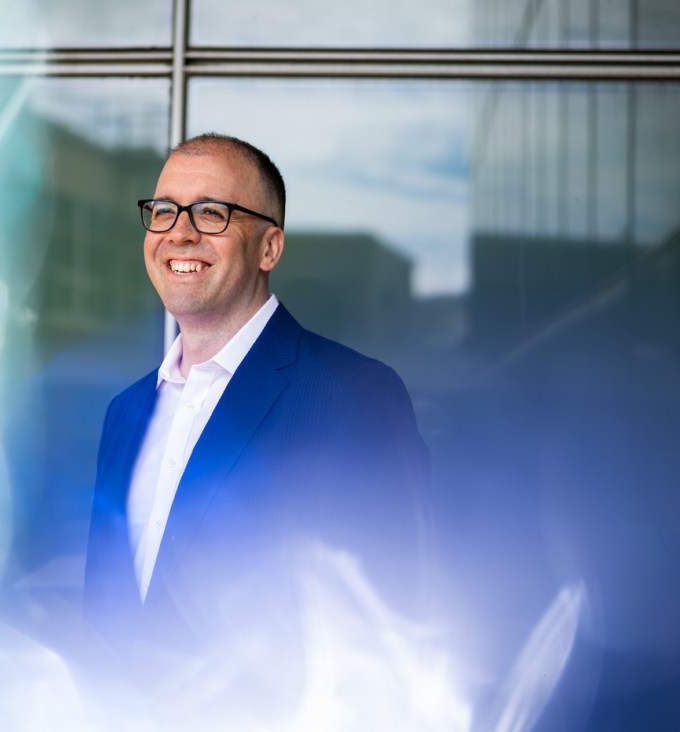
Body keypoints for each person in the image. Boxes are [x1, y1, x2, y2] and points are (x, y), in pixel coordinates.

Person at [82, 133, 431, 713]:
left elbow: (394, 619)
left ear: (270, 248)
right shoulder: (127, 412)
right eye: (163, 210)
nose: (179, 232)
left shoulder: (351, 396)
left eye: (211, 213)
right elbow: (104, 613)